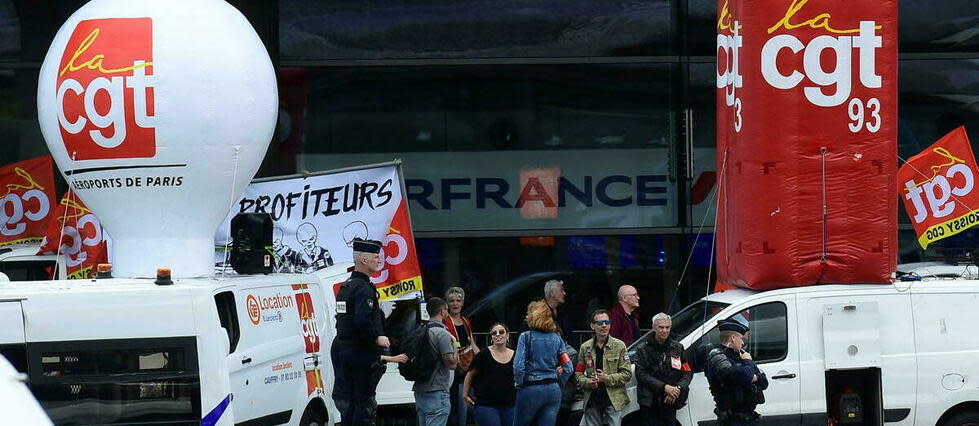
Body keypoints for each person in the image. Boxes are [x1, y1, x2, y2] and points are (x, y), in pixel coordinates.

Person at [331, 238, 390, 426]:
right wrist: (377, 338)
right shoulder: (364, 289)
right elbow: (362, 320)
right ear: (363, 260)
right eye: (375, 256)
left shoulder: (347, 286)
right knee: (362, 406)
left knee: (349, 406)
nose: (379, 260)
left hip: (345, 351)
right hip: (360, 354)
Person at [514, 300, 573, 426]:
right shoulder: (557, 338)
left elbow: (518, 366)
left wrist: (518, 383)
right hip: (553, 389)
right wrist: (558, 381)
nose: (526, 316)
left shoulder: (525, 337)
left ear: (534, 316)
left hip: (530, 387)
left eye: (528, 313)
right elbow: (568, 367)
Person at [574, 309, 632, 426]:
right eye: (600, 323)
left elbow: (627, 374)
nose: (604, 326)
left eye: (607, 322)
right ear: (592, 326)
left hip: (613, 399)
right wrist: (588, 382)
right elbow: (578, 374)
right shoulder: (585, 347)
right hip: (592, 398)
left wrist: (606, 378)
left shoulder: (619, 346)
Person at [705, 320, 769, 426]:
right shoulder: (717, 355)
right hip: (731, 419)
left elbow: (764, 382)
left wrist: (756, 377)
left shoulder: (742, 354)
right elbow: (739, 376)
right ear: (733, 338)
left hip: (750, 417)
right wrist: (748, 363)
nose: (743, 343)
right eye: (741, 338)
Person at [634, 313, 693, 426]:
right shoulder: (643, 349)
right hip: (650, 402)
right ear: (654, 327)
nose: (664, 331)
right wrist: (664, 387)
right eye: (661, 327)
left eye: (667, 327)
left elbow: (687, 371)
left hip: (670, 400)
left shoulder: (678, 348)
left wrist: (678, 388)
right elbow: (641, 374)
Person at [415, 297, 459, 426]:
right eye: (446, 308)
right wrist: (454, 344)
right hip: (437, 390)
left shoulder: (420, 331)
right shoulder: (442, 333)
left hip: (420, 390)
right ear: (442, 310)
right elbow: (451, 364)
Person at [463, 323, 516, 426]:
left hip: (510, 405)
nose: (497, 335)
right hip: (486, 405)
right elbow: (470, 373)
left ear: (507, 335)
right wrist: (465, 394)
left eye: (501, 332)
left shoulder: (515, 354)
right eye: (494, 333)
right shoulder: (484, 354)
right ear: (491, 337)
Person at [444, 287, 478, 426]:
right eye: (451, 301)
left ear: (463, 302)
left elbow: (472, 344)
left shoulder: (466, 321)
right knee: (458, 407)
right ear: (447, 303)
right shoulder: (445, 322)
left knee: (471, 403)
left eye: (458, 300)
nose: (455, 304)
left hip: (468, 368)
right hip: (453, 370)